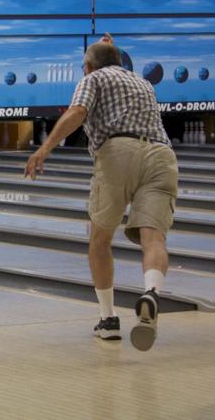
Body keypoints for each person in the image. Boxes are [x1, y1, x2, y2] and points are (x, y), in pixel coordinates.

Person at [24, 34, 178, 351]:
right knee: (153, 238)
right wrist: (107, 48)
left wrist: (45, 148)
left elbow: (78, 112)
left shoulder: (93, 78)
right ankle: (151, 292)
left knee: (100, 238)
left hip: (118, 151)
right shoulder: (142, 82)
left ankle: (108, 320)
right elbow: (111, 60)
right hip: (162, 156)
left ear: (88, 66)